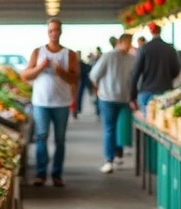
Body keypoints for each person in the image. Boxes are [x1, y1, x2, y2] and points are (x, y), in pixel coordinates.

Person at [20, 18, 79, 187]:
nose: (53, 33)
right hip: (41, 103)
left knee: (60, 140)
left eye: (56, 30)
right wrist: (40, 68)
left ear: (61, 32)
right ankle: (40, 174)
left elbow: (74, 78)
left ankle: (57, 174)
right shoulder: (38, 52)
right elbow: (25, 76)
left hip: (61, 103)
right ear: (48, 32)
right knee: (41, 136)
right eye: (51, 30)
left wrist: (60, 71)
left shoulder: (69, 54)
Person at [90, 33, 135, 173]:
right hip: (107, 98)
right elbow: (94, 75)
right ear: (120, 42)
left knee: (121, 128)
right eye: (127, 42)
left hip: (124, 99)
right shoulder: (108, 56)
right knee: (110, 128)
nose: (129, 46)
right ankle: (109, 160)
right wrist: (98, 90)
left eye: (130, 42)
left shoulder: (132, 58)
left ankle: (118, 154)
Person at [129, 23, 181, 112]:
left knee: (148, 122)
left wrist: (132, 96)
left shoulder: (144, 49)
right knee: (161, 121)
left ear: (150, 32)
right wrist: (167, 78)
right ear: (160, 32)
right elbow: (176, 70)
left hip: (147, 91)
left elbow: (135, 73)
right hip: (165, 91)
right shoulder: (170, 49)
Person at [74, 50, 92, 119]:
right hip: (77, 82)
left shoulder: (81, 63)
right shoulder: (76, 63)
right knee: (77, 96)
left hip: (80, 81)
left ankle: (76, 109)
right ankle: (76, 109)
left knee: (78, 96)